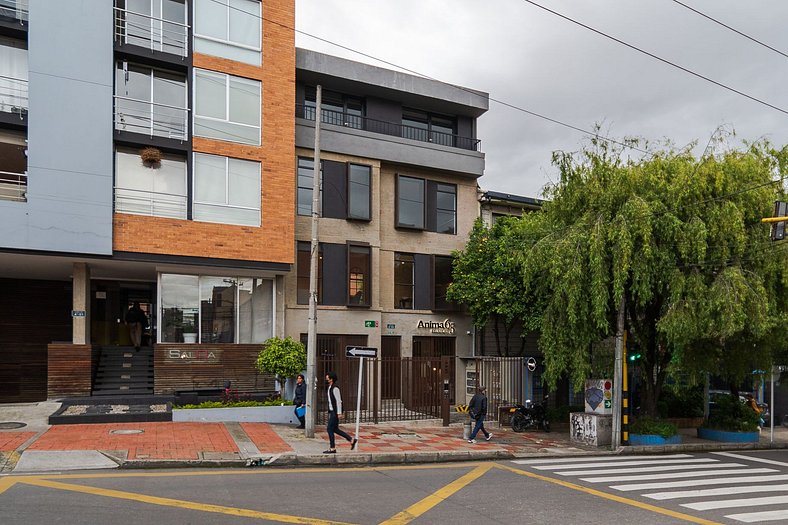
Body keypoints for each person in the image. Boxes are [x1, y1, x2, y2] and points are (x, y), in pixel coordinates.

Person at [324, 371, 357, 453]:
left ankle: (332, 448)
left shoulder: (335, 388)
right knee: (335, 429)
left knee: (329, 429)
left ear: (331, 379)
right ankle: (351, 439)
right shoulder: (330, 387)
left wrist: (339, 413)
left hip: (335, 412)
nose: (326, 378)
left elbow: (339, 401)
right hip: (332, 411)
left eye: (327, 377)